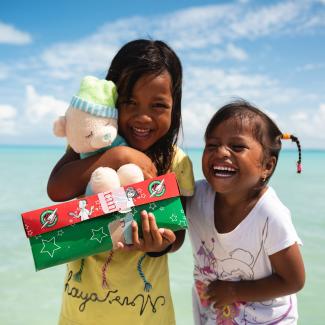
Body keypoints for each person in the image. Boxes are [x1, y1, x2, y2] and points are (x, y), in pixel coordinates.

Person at [47, 39, 194, 324]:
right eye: (130, 102)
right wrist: (117, 154)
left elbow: (178, 237)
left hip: (147, 315)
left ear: (174, 108)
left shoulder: (176, 162)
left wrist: (158, 245)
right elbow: (56, 189)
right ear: (112, 101)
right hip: (80, 315)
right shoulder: (88, 147)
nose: (143, 116)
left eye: (158, 105)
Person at [186, 100, 305, 324]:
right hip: (213, 314)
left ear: (267, 166)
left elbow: (293, 280)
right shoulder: (197, 196)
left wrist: (233, 292)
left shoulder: (270, 214)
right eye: (212, 145)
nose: (221, 152)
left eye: (237, 147)